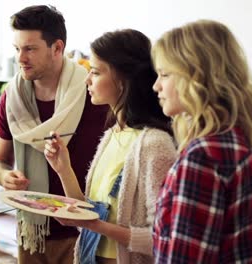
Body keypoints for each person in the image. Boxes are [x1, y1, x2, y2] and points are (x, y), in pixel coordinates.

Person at [43, 29, 176, 264]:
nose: (87, 79)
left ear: (123, 80)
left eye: (94, 72)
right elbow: (89, 213)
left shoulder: (155, 145)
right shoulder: (112, 135)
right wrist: (63, 169)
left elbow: (161, 238)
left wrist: (94, 225)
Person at [0, 5, 108, 264]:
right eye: (17, 49)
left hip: (87, 230)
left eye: (30, 49)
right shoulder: (11, 99)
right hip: (32, 232)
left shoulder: (95, 95)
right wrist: (4, 176)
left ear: (57, 48)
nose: (20, 58)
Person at [151, 20, 252, 263]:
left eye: (165, 74)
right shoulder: (248, 139)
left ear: (197, 77)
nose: (156, 86)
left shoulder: (203, 156)